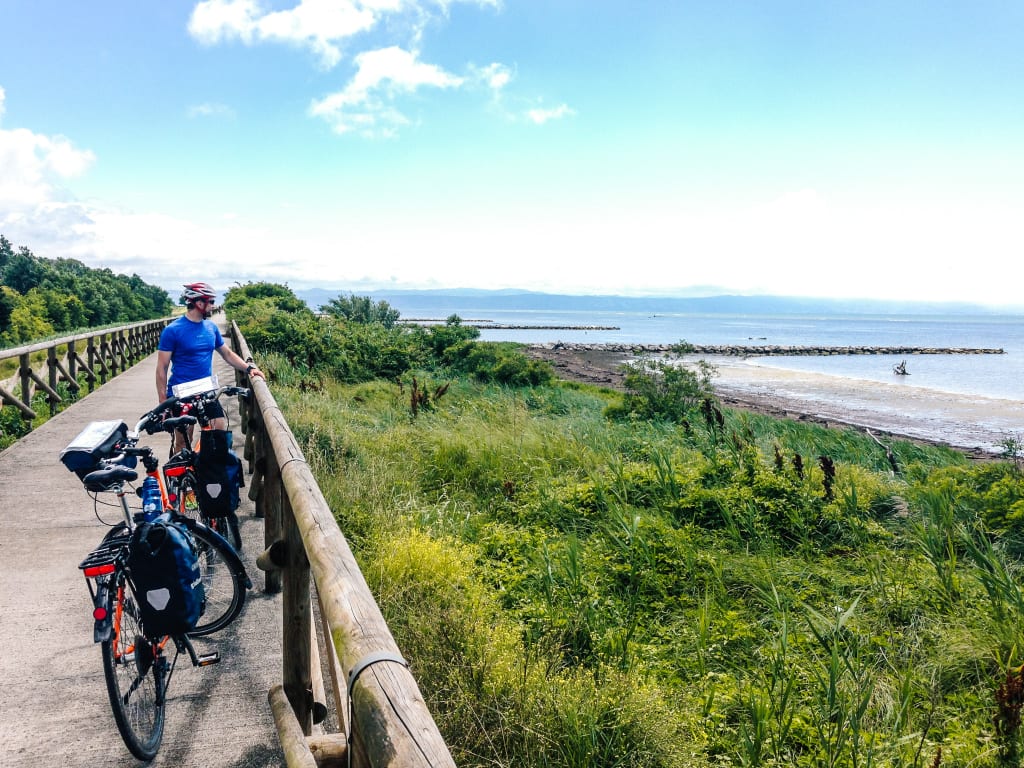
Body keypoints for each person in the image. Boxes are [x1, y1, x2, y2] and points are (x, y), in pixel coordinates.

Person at [156, 282, 263, 448]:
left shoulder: (211, 328)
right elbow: (161, 368)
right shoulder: (173, 331)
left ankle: (203, 467)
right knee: (183, 441)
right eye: (211, 302)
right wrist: (163, 403)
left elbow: (227, 354)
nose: (214, 306)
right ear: (199, 303)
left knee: (218, 431)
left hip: (206, 391)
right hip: (180, 394)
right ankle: (181, 474)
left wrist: (250, 368)